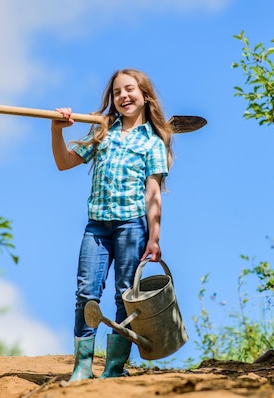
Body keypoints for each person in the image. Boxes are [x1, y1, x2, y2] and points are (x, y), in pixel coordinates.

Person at [51, 69, 173, 382]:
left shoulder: (153, 143)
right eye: (117, 92)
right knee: (85, 293)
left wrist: (154, 238)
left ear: (145, 95)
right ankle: (81, 369)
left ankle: (114, 367)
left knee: (124, 296)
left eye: (130, 90)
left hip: (132, 226)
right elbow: (64, 162)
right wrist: (57, 129)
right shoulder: (101, 132)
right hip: (97, 226)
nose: (123, 96)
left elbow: (153, 193)